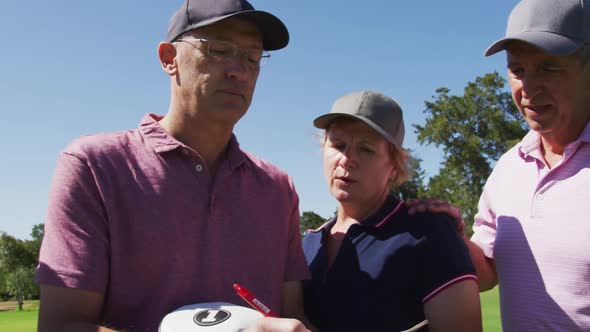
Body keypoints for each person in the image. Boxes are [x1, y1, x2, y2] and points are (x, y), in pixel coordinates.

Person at [35, 1, 312, 331]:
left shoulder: (278, 188)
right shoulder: (94, 166)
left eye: (253, 57)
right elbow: (62, 324)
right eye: (220, 49)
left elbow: (292, 311)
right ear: (169, 58)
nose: (240, 69)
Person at [408, 0, 590, 330]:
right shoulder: (508, 168)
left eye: (548, 67)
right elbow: (489, 273)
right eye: (517, 69)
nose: (529, 88)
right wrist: (453, 238)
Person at [301, 90, 482, 332]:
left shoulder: (428, 231)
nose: (346, 159)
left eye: (366, 149)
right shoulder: (308, 243)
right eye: (338, 145)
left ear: (395, 167)